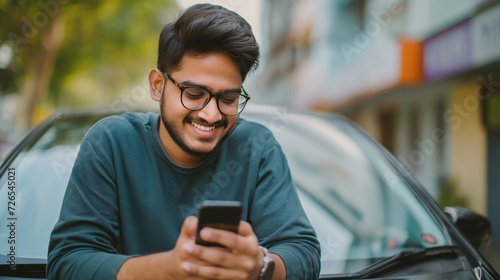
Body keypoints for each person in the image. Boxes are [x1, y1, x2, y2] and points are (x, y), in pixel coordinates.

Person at [47, 3, 320, 280]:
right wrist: (170, 268)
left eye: (228, 99)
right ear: (157, 85)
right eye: (193, 93)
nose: (211, 114)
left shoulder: (257, 147)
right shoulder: (111, 143)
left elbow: (303, 254)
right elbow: (67, 262)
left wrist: (261, 265)